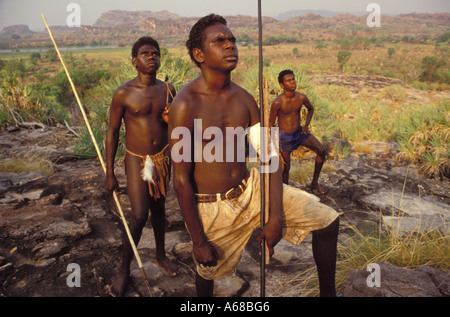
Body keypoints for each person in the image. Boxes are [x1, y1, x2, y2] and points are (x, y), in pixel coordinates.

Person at [168, 14, 340, 297]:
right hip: (213, 208)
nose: (230, 45)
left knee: (327, 220)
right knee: (207, 270)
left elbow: (271, 159)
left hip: (252, 189)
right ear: (199, 54)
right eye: (219, 41)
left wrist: (273, 217)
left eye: (232, 40)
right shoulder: (185, 105)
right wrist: (197, 240)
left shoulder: (245, 99)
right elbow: (181, 180)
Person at [104, 36, 179, 297]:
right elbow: (112, 132)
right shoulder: (124, 93)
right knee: (138, 214)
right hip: (138, 159)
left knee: (159, 208)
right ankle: (123, 269)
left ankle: (160, 255)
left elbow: (176, 126)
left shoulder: (168, 90)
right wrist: (110, 172)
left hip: (162, 157)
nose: (152, 57)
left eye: (155, 53)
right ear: (134, 60)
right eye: (145, 53)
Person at [269, 70, 328, 194]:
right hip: (284, 136)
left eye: (293, 79)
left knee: (321, 150)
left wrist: (306, 125)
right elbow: (271, 123)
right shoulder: (278, 102)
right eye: (288, 80)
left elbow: (311, 109)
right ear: (282, 85)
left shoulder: (301, 97)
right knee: (286, 168)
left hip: (300, 132)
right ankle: (286, 192)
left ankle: (314, 183)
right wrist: (274, 144)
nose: (292, 82)